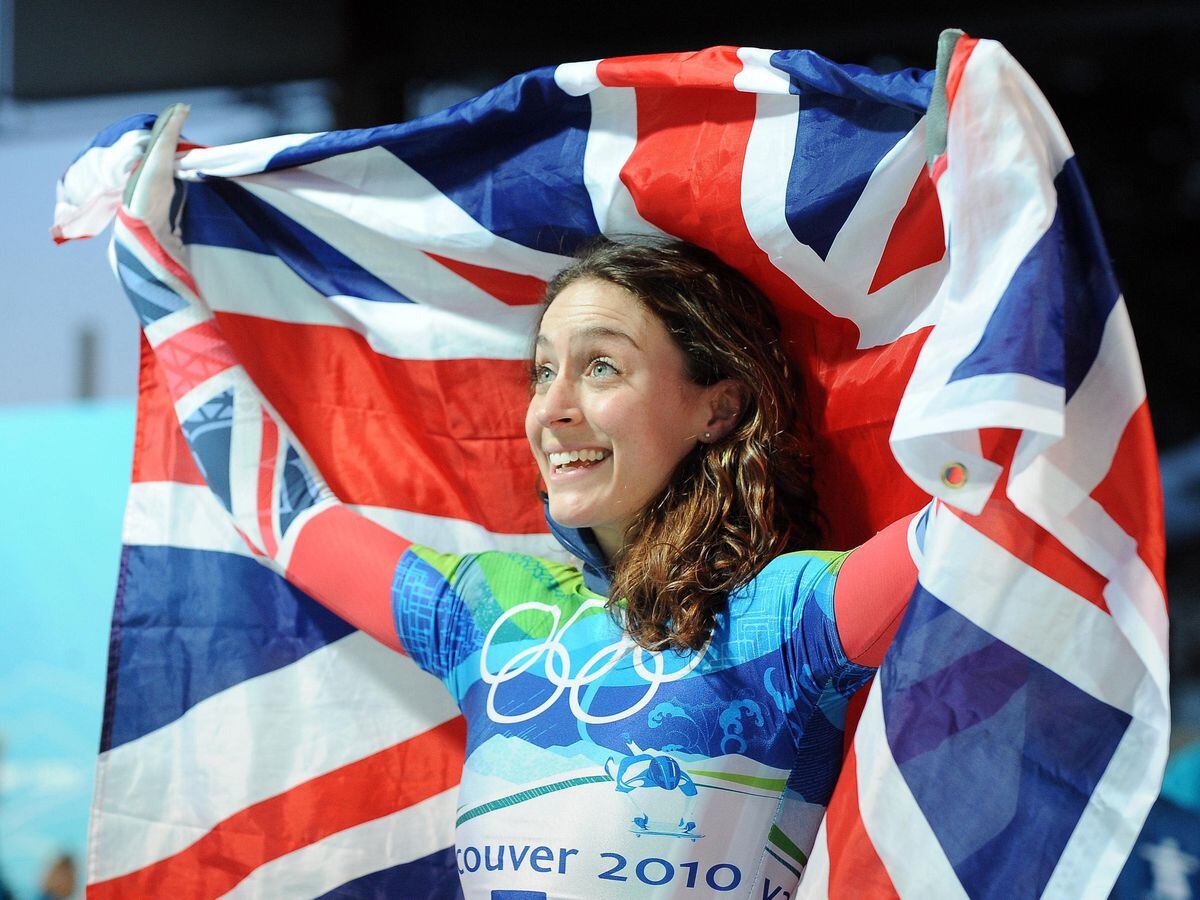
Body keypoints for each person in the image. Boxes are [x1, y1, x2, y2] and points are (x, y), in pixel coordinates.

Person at [262, 236, 927, 898]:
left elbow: (982, 512)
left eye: (602, 366)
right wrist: (159, 279)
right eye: (544, 372)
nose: (551, 410)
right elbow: (286, 516)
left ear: (717, 408)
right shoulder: (488, 612)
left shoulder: (787, 615)